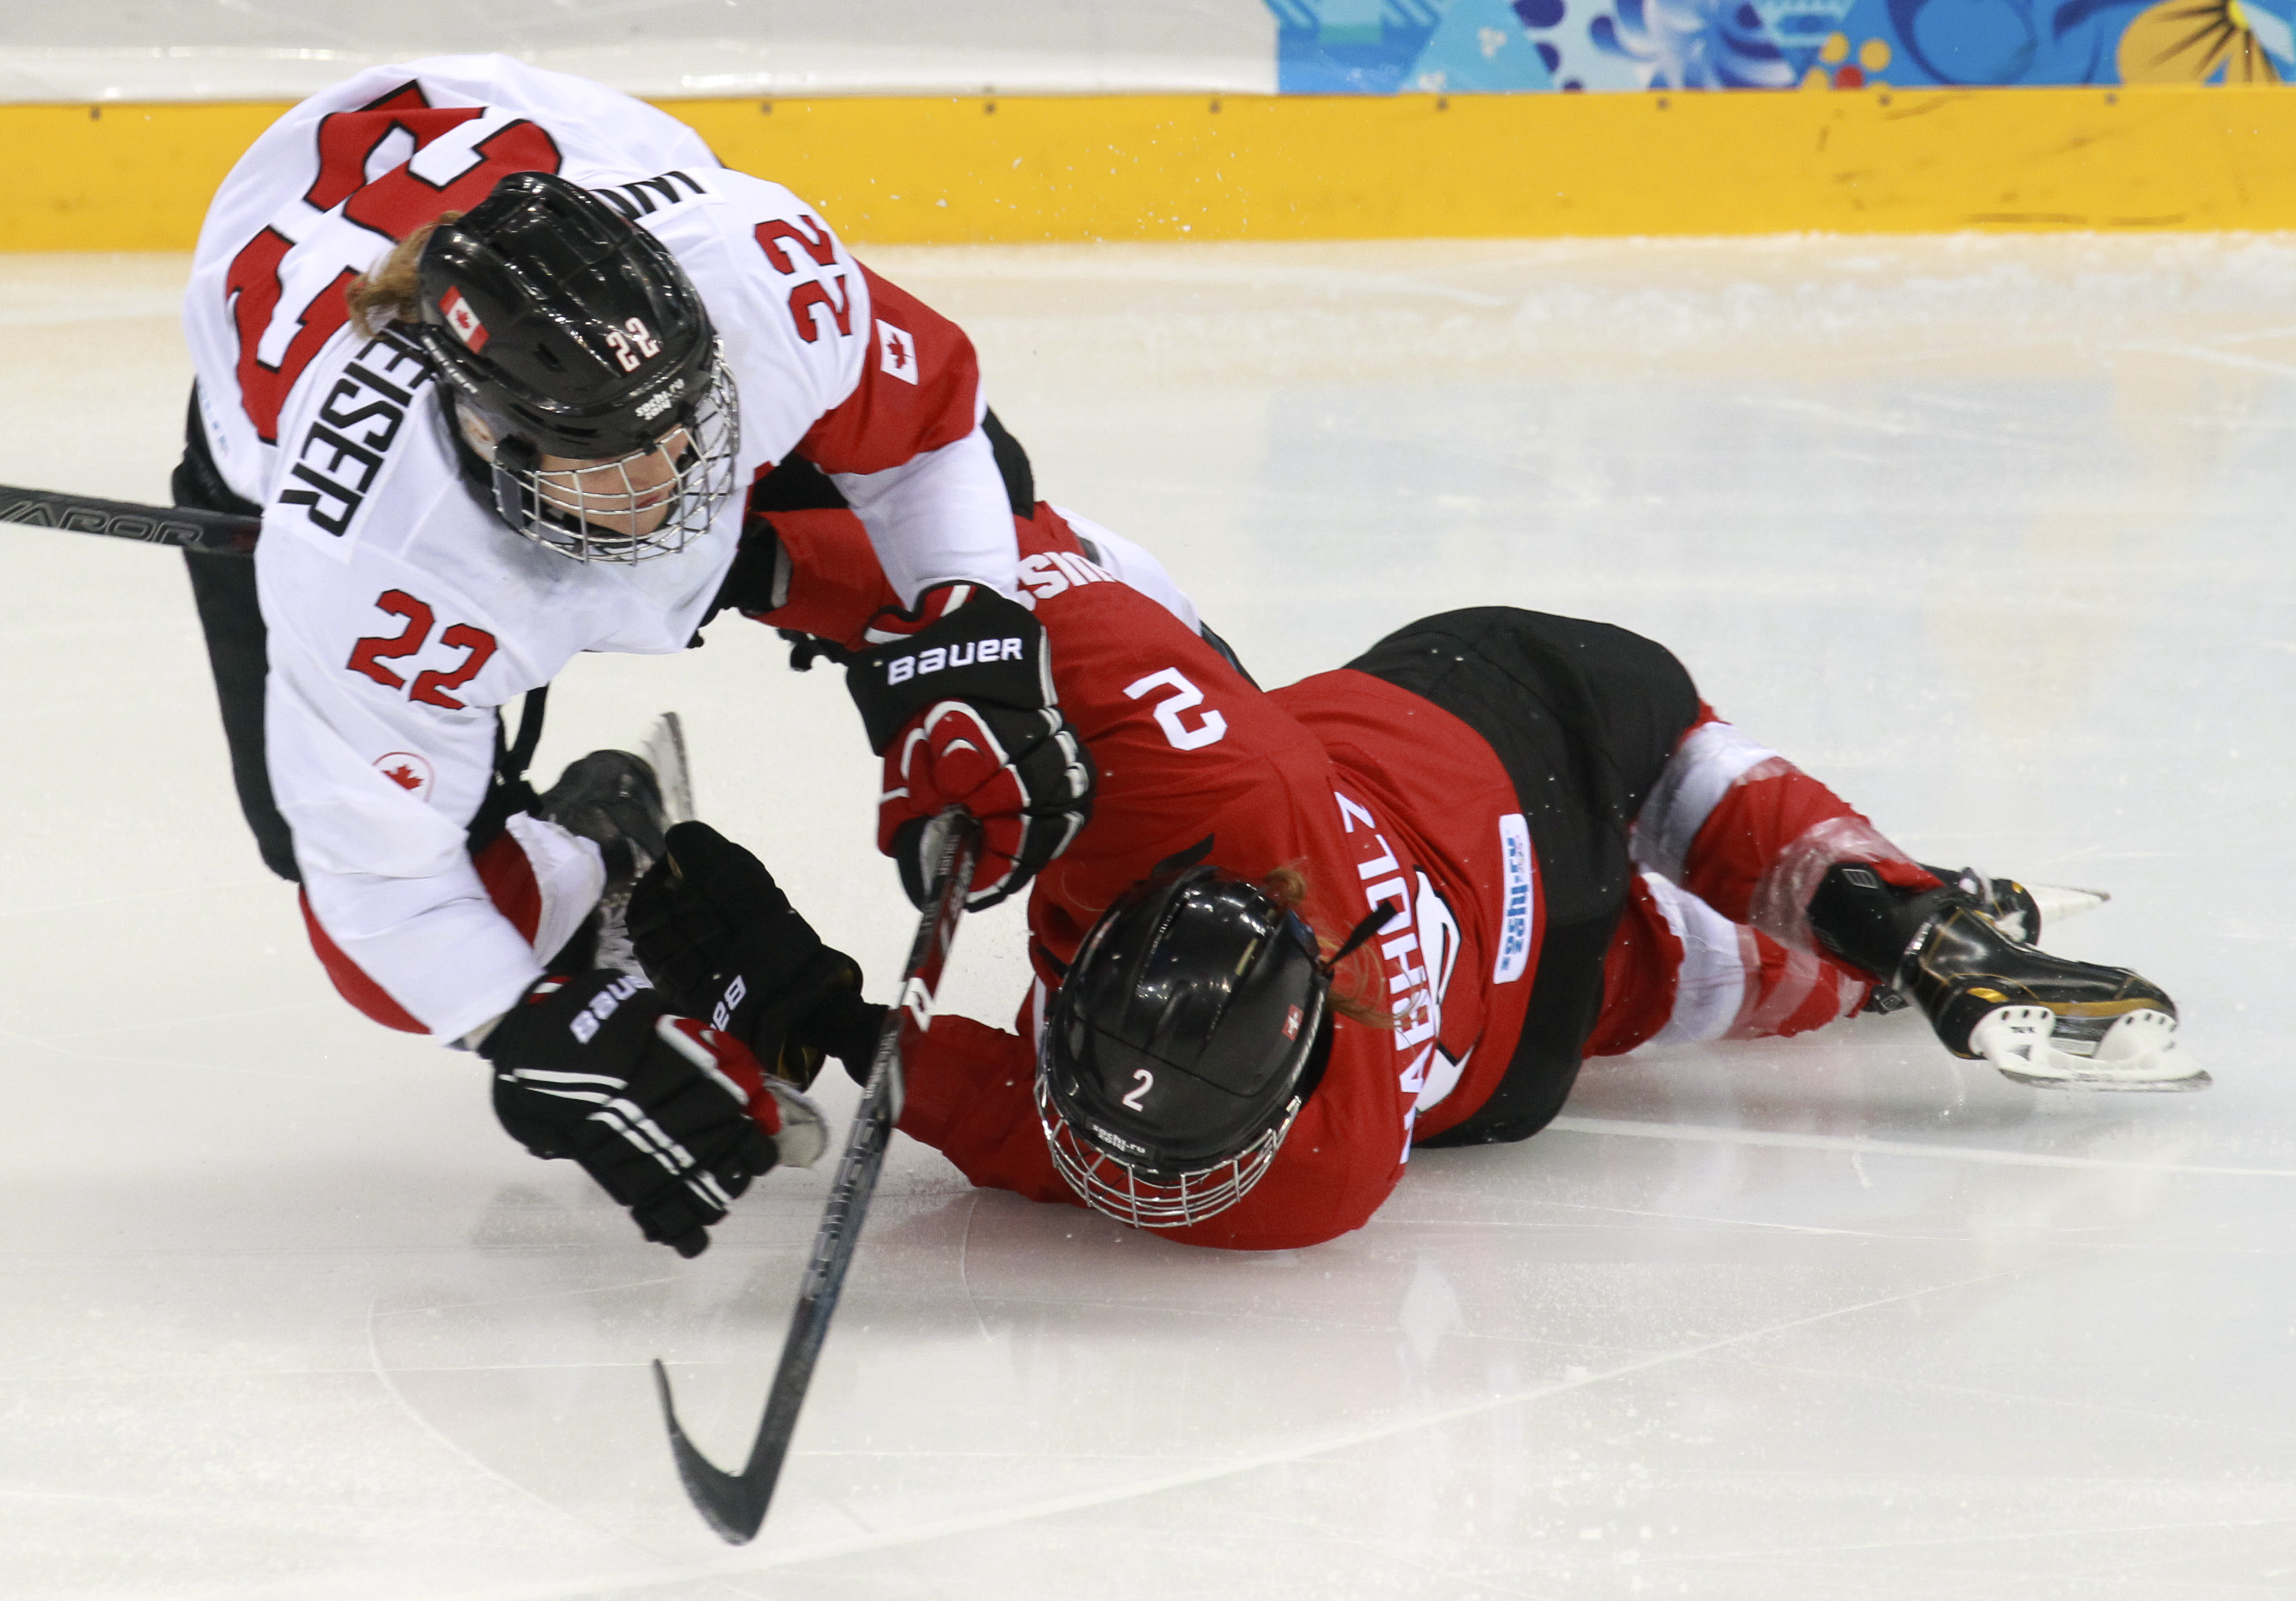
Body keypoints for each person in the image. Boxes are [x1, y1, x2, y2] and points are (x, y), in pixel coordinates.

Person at [627, 496, 2199, 1253]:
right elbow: (999, 534)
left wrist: (804, 1005)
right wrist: (813, 589)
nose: (1133, 1192)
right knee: (1668, 756)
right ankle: (1911, 920)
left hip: (1513, 1050)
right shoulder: (1202, 783)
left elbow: (988, 1109)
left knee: (1678, 969)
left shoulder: (1296, 1183)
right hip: (1498, 748)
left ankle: (1881, 950)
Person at [170, 56, 1121, 1256]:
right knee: (349, 862)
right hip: (289, 409)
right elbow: (387, 893)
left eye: (688, 425)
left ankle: (1175, 704)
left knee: (1012, 530)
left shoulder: (748, 271)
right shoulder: (369, 556)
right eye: (617, 462)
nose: (676, 480)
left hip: (545, 189)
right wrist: (533, 1028)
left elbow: (931, 432)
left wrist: (971, 623)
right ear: (491, 432)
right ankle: (604, 874)